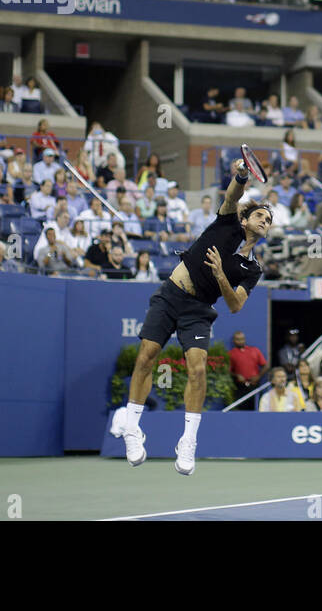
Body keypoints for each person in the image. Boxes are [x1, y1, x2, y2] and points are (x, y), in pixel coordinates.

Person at [110, 157, 271, 475]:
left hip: (199, 311)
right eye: (261, 215)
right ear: (246, 219)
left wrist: (221, 276)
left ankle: (188, 442)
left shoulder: (253, 269)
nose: (266, 221)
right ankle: (132, 429)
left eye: (269, 219)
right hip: (170, 295)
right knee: (147, 356)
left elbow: (235, 306)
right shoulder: (227, 223)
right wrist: (240, 174)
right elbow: (231, 197)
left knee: (197, 370)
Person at [229, 330, 267, 407]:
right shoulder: (231, 353)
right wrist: (236, 376)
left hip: (254, 385)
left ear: (245, 339)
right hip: (240, 387)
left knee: (257, 406)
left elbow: (265, 366)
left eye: (242, 339)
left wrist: (258, 376)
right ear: (234, 340)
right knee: (240, 408)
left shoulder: (254, 350)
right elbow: (227, 371)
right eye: (238, 339)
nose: (240, 341)